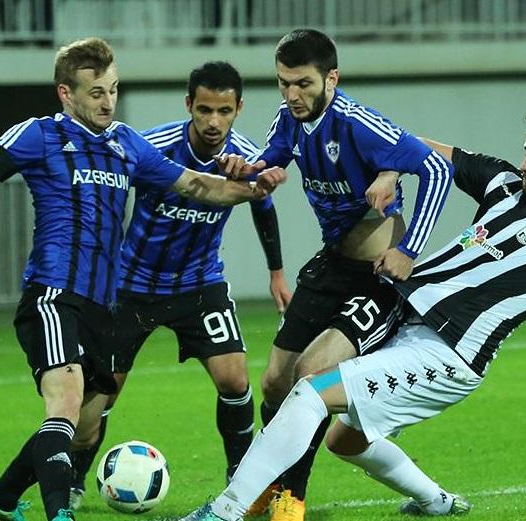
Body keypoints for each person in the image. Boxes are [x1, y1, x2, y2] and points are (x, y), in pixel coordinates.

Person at [179, 112, 526, 521]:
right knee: (343, 439)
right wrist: (392, 167)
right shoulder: (501, 183)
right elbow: (414, 146)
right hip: (402, 313)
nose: (525, 164)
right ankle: (436, 501)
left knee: (310, 390)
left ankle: (226, 510)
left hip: (450, 353)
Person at [0, 37, 285, 521]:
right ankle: (61, 510)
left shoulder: (126, 143)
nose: (108, 102)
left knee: (82, 427)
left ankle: (2, 494)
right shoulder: (39, 135)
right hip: (56, 294)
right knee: (65, 407)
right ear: (66, 94)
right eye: (96, 93)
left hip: (104, 306)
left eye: (113, 90)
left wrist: (253, 187)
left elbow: (195, 185)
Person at [214, 28, 453, 519]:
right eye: (283, 83)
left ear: (332, 78)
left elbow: (437, 170)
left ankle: (290, 498)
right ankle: (270, 485)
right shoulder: (289, 118)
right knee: (275, 382)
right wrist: (248, 170)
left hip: (376, 277)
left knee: (312, 374)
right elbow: (268, 161)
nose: (292, 94)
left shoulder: (359, 123)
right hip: (331, 265)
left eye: (302, 83)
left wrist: (409, 250)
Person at [65, 61, 292, 509]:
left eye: (223, 111)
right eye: (204, 109)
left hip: (199, 283)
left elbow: (263, 207)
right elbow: (109, 190)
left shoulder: (248, 158)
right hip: (131, 286)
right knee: (104, 389)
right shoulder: (154, 146)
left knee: (234, 379)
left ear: (239, 108)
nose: (213, 121)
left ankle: (241, 477)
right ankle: (73, 479)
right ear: (189, 104)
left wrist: (277, 273)